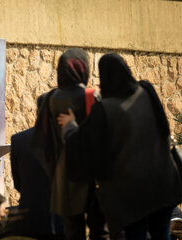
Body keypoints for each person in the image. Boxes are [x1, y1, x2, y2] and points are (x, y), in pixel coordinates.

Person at [58, 53, 182, 239]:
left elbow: (84, 144)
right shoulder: (146, 91)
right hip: (163, 184)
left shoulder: (105, 109)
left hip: (132, 197)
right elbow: (164, 129)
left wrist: (69, 125)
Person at [32, 48, 108, 240]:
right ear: (85, 69)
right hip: (92, 176)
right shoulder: (92, 96)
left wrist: (54, 171)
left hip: (64, 176)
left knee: (73, 232)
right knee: (100, 230)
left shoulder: (49, 99)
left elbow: (40, 142)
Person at [10, 93, 58, 239]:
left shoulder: (18, 140)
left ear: (36, 112)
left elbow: (18, 183)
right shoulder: (68, 137)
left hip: (29, 216)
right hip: (60, 219)